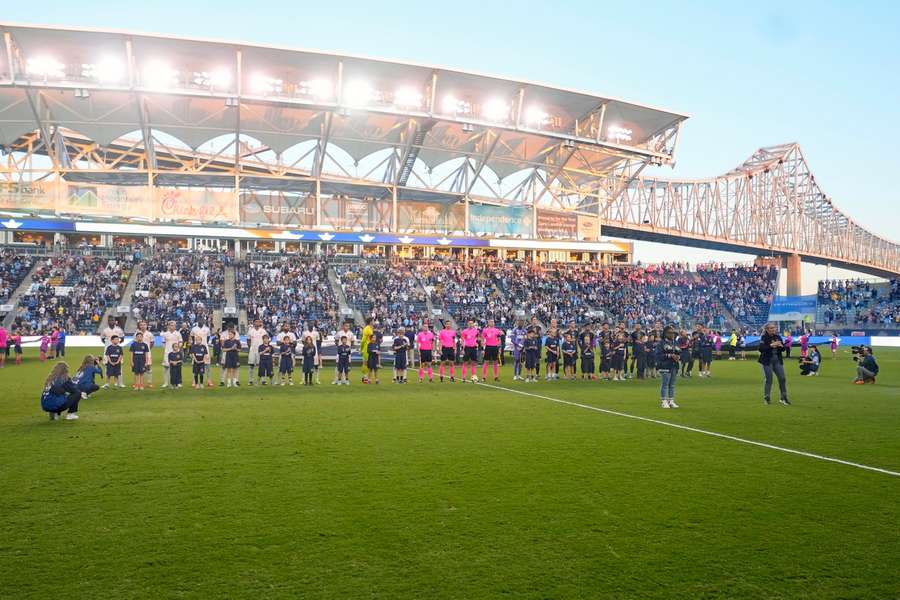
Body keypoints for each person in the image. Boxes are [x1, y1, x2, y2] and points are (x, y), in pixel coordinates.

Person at [758, 323, 790, 405]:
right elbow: (761, 349)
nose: (773, 329)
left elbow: (783, 350)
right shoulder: (764, 337)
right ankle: (767, 397)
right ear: (767, 329)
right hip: (767, 361)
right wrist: (771, 345)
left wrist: (781, 345)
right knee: (769, 379)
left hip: (777, 360)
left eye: (774, 328)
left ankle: (783, 397)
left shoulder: (778, 337)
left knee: (782, 378)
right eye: (771, 328)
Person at [656, 326, 680, 408]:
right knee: (665, 384)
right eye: (670, 332)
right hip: (665, 365)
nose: (672, 334)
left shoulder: (675, 342)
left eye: (673, 332)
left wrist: (678, 357)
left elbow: (679, 352)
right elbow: (658, 355)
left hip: (674, 365)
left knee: (672, 385)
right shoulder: (661, 343)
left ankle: (671, 401)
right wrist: (670, 355)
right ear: (665, 333)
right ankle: (663, 401)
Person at [246, 319, 268, 386]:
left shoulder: (263, 331)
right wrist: (250, 347)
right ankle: (250, 380)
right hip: (253, 350)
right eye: (256, 321)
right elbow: (248, 340)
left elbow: (266, 340)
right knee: (251, 365)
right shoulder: (250, 331)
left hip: (261, 350)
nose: (258, 323)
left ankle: (263, 380)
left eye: (259, 321)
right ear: (253, 323)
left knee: (262, 365)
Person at [160, 321, 181, 388]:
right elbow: (163, 343)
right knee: (166, 368)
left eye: (173, 325)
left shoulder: (178, 334)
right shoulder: (165, 334)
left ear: (175, 326)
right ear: (168, 326)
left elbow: (180, 342)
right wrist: (166, 349)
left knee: (177, 368)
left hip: (176, 353)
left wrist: (178, 349)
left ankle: (178, 382)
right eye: (170, 325)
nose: (172, 326)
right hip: (167, 353)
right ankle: (166, 382)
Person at [360, 317, 374, 383]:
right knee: (366, 363)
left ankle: (365, 377)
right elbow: (363, 340)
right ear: (370, 321)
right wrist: (361, 348)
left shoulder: (368, 328)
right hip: (367, 347)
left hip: (367, 347)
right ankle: (365, 377)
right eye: (373, 321)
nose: (374, 322)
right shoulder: (368, 329)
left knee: (366, 363)